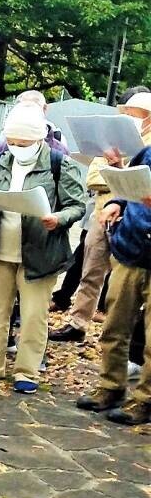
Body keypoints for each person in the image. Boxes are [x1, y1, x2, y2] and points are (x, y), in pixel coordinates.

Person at [0, 104, 85, 394]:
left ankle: (27, 370)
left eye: (24, 143)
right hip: (1, 248)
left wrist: (58, 219)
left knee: (33, 315)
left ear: (39, 139)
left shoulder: (58, 163)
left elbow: (77, 205)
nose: (17, 148)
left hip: (39, 252)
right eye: (13, 142)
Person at [50, 90, 151, 343]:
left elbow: (141, 186)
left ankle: (120, 332)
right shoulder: (110, 138)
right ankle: (77, 322)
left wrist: (118, 173)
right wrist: (122, 176)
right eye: (126, 113)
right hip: (102, 213)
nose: (128, 117)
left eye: (134, 114)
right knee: (90, 270)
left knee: (124, 279)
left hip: (133, 222)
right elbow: (94, 177)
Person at [77, 142, 151, 425]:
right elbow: (128, 187)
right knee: (114, 326)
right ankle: (111, 386)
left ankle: (145, 400)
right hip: (130, 250)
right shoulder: (148, 152)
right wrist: (114, 204)